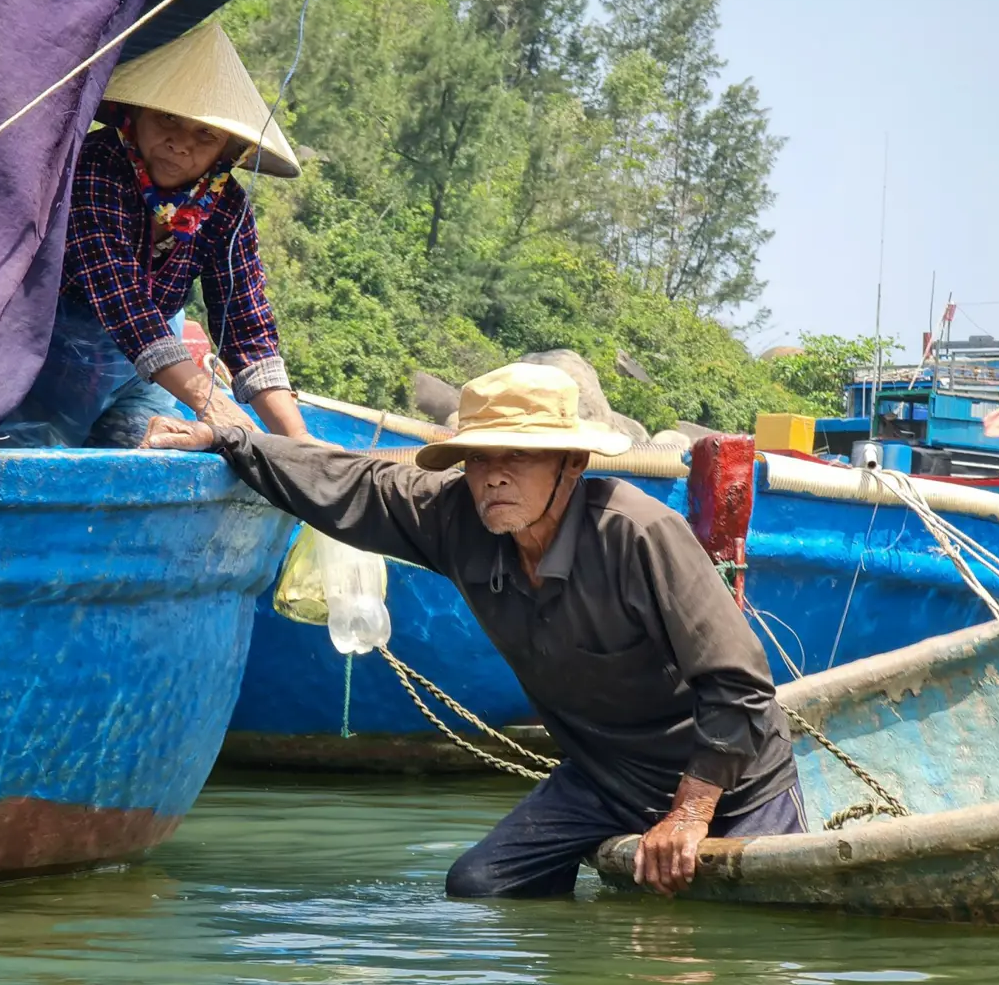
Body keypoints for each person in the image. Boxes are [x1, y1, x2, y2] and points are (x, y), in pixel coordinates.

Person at [141, 362, 806, 898]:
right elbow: (350, 483)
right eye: (480, 459)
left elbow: (740, 688)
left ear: (571, 466)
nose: (493, 477)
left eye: (519, 456)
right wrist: (234, 440)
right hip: (605, 780)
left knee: (753, 914)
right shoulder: (456, 517)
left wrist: (690, 813)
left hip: (733, 781)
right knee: (478, 885)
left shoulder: (637, 533)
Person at [0, 22, 310, 448]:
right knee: (27, 449)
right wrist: (208, 400)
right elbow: (120, 297)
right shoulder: (97, 166)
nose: (180, 144)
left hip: (145, 374)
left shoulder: (226, 206)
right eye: (167, 119)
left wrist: (300, 443)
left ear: (228, 151)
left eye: (205, 134)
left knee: (145, 442)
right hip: (47, 361)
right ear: (134, 115)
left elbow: (245, 325)